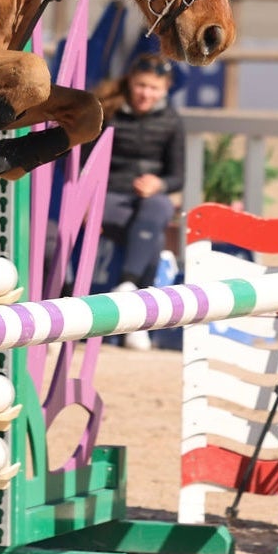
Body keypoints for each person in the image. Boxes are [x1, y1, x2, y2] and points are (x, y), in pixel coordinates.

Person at [96, 53, 185, 349]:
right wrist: (86, 201)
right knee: (154, 239)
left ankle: (127, 287)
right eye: (141, 85)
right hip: (108, 198)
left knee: (159, 206)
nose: (146, 93)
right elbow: (85, 163)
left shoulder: (172, 121)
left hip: (146, 204)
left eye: (154, 88)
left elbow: (177, 177)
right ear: (130, 82)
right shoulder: (108, 111)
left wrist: (158, 183)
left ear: (167, 88)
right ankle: (138, 318)